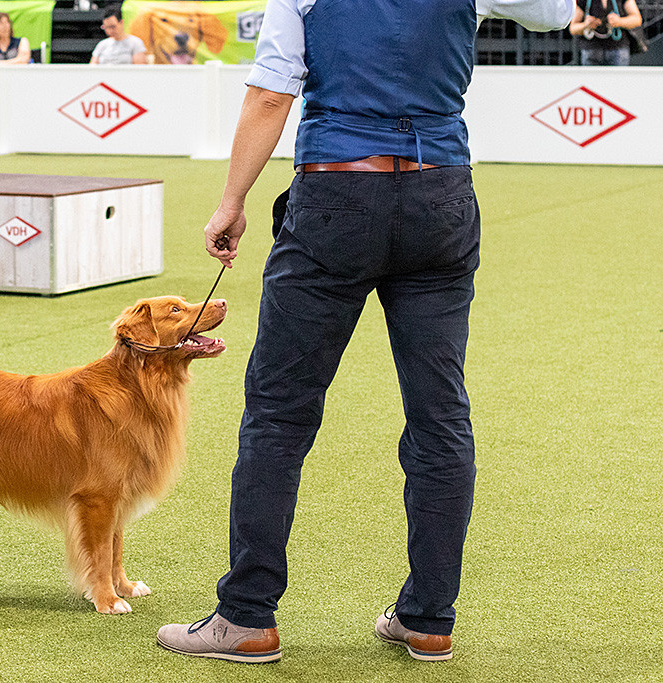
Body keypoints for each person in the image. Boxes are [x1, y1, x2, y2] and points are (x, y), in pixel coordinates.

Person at [155, 0, 573, 665]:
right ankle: (429, 618)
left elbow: (270, 94)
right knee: (440, 416)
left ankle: (246, 617)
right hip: (441, 195)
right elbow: (555, 15)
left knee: (278, 414)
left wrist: (232, 200)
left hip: (336, 198)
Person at [570, 0, 643, 65]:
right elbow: (573, 28)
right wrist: (586, 25)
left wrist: (619, 22)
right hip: (591, 50)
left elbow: (637, 19)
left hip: (618, 48)